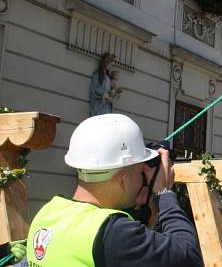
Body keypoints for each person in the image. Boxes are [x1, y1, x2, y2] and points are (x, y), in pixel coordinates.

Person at [26, 114, 203, 267]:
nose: (142, 178)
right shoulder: (114, 234)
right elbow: (189, 256)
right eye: (140, 171)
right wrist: (164, 193)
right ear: (123, 179)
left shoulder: (47, 213)